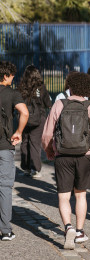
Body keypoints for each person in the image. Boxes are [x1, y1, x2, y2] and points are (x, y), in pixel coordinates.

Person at [42, 72, 90, 249]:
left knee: (63, 195)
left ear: (69, 86)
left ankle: (67, 226)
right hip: (85, 155)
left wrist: (49, 150)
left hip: (63, 155)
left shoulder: (59, 104)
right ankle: (79, 231)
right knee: (80, 195)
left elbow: (47, 133)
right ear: (87, 88)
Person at [0, 61, 29, 241]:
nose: (13, 78)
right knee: (4, 187)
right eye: (11, 75)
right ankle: (5, 230)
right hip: (4, 145)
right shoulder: (11, 93)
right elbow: (24, 112)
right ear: (5, 76)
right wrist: (18, 132)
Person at [18, 65, 52, 178]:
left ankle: (26, 167)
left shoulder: (21, 87)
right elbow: (48, 103)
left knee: (25, 142)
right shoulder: (41, 87)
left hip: (24, 117)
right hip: (39, 118)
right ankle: (35, 169)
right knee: (35, 143)